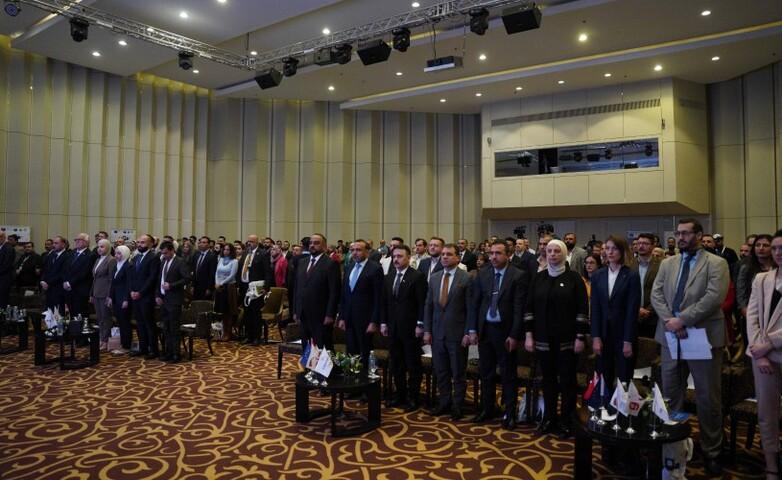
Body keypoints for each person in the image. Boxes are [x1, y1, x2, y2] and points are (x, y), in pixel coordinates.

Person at [650, 218, 729, 476]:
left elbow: (713, 298)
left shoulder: (717, 263)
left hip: (702, 337)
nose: (680, 237)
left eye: (685, 233)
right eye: (678, 233)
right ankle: (672, 449)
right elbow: (656, 294)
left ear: (699, 235)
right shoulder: (667, 263)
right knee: (672, 394)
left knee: (707, 399)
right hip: (671, 337)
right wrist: (671, 322)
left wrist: (683, 319)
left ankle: (711, 452)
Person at [524, 239, 589, 438]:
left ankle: (567, 420)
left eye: (556, 251)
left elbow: (582, 310)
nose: (552, 254)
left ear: (563, 254)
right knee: (548, 380)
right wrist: (528, 335)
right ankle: (549, 418)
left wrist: (580, 336)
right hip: (543, 339)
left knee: (567, 382)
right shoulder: (539, 278)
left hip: (568, 340)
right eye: (549, 251)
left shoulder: (574, 279)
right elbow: (529, 308)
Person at [468, 240, 527, 430]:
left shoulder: (518, 275)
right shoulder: (482, 273)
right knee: (486, 373)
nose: (493, 256)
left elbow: (519, 309)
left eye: (498, 253)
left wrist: (514, 335)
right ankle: (487, 408)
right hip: (485, 330)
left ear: (508, 254)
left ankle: (509, 413)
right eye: (491, 253)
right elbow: (475, 304)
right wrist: (473, 329)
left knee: (508, 375)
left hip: (506, 333)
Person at [745, 230, 782, 480]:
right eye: (776, 248)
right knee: (766, 413)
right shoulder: (761, 279)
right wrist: (759, 353)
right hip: (764, 359)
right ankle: (771, 464)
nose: (779, 253)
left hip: (770, 348)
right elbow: (753, 317)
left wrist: (768, 343)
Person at [423, 243, 473, 421]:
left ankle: (457, 406)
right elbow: (428, 306)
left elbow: (470, 309)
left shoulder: (466, 278)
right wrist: (427, 330)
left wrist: (468, 332)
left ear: (457, 258)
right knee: (441, 371)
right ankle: (444, 403)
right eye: (443, 254)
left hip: (457, 334)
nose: (444, 257)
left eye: (449, 254)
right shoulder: (435, 278)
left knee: (458, 373)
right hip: (437, 333)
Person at [590, 236, 641, 393]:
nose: (610, 252)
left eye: (614, 248)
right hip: (603, 333)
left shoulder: (631, 275)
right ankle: (605, 410)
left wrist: (628, 340)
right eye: (608, 248)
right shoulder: (598, 275)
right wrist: (596, 337)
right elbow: (596, 308)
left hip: (623, 334)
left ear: (622, 251)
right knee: (603, 375)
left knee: (623, 377)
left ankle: (622, 414)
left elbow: (632, 310)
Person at [380, 244, 427, 412]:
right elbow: (385, 302)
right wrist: (384, 322)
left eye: (400, 256)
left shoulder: (417, 277)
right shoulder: (389, 276)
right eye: (394, 257)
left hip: (411, 328)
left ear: (408, 258)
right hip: (393, 327)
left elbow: (422, 303)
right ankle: (399, 395)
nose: (396, 259)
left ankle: (413, 397)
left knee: (412, 364)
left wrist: (420, 324)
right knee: (396, 363)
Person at [339, 239, 383, 369]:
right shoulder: (349, 267)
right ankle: (353, 380)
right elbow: (344, 295)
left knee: (365, 353)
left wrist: (374, 321)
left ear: (367, 252)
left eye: (358, 250)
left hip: (366, 319)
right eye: (352, 250)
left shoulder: (375, 269)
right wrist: (342, 316)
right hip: (349, 318)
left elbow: (378, 298)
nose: (355, 253)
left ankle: (365, 383)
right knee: (351, 351)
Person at [294, 233, 340, 350]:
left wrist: (330, 314)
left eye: (316, 243)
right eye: (311, 243)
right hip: (303, 312)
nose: (312, 245)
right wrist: (295, 310)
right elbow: (297, 288)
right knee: (307, 345)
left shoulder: (330, 264)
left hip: (321, 314)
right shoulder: (302, 262)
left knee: (323, 346)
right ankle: (308, 368)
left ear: (324, 246)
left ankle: (329, 369)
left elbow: (334, 292)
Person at [155, 241, 191, 363]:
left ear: (171, 250)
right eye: (162, 253)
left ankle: (176, 353)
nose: (164, 255)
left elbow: (187, 278)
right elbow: (159, 279)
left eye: (165, 253)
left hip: (174, 299)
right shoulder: (163, 262)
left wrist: (171, 285)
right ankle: (168, 352)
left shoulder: (180, 262)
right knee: (166, 328)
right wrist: (158, 295)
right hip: (164, 299)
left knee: (174, 328)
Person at [238, 235, 274, 345]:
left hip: (257, 288)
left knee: (256, 313)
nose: (249, 243)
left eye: (252, 241)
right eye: (248, 241)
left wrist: (266, 288)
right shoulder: (245, 253)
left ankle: (257, 337)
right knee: (247, 313)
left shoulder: (263, 253)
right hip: (245, 286)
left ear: (257, 242)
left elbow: (268, 272)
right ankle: (249, 336)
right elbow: (241, 269)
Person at [129, 234, 161, 359]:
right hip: (135, 295)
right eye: (139, 242)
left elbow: (152, 278)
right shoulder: (136, 257)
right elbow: (132, 276)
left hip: (146, 295)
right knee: (139, 323)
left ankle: (153, 349)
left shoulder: (153, 257)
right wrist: (132, 291)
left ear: (151, 244)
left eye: (143, 242)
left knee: (149, 323)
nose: (140, 244)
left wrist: (140, 292)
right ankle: (143, 348)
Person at [633, 233, 661, 338]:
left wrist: (649, 310)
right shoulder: (629, 265)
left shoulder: (662, 265)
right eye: (639, 243)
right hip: (632, 315)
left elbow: (663, 291)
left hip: (654, 316)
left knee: (651, 350)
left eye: (645, 243)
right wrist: (637, 309)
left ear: (653, 246)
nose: (640, 246)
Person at [90, 239, 116, 351]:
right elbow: (94, 279)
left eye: (102, 247)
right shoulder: (97, 260)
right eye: (98, 247)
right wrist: (91, 293)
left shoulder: (111, 260)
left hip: (105, 293)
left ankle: (105, 340)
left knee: (106, 318)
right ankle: (101, 338)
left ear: (108, 248)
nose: (99, 249)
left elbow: (111, 280)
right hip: (96, 293)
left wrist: (110, 296)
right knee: (99, 318)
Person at [64, 233, 96, 316]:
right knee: (71, 313)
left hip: (80, 290)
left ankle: (80, 329)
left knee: (80, 313)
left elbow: (84, 273)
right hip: (69, 289)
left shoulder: (90, 255)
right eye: (76, 240)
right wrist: (65, 281)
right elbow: (66, 269)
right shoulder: (72, 253)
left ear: (86, 242)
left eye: (79, 240)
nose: (76, 241)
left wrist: (70, 283)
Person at [108, 245, 133, 354]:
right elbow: (113, 284)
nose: (116, 256)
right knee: (120, 321)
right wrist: (110, 297)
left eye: (119, 253)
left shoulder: (128, 266)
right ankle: (122, 343)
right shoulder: (116, 266)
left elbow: (129, 285)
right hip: (116, 298)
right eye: (116, 253)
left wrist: (126, 299)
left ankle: (126, 346)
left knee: (125, 323)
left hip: (124, 299)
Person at [214, 243, 239, 341]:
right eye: (224, 249)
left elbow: (232, 275)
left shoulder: (234, 261)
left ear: (231, 251)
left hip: (229, 287)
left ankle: (228, 333)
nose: (226, 251)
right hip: (219, 287)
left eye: (228, 250)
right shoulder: (220, 259)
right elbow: (216, 272)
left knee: (228, 311)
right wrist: (217, 283)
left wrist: (221, 283)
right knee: (222, 311)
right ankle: (223, 332)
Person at [40, 236, 69, 313]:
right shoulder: (51, 255)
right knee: (49, 312)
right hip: (48, 289)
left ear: (63, 244)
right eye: (53, 243)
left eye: (56, 243)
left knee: (58, 313)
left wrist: (48, 282)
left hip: (58, 289)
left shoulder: (67, 256)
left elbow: (62, 273)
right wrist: (42, 280)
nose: (53, 245)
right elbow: (45, 269)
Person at [191, 236, 217, 301]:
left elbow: (212, 274)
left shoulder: (212, 256)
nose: (201, 244)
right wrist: (192, 285)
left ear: (208, 244)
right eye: (200, 242)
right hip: (196, 286)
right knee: (196, 305)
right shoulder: (196, 254)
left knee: (204, 306)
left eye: (204, 242)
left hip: (205, 287)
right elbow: (194, 271)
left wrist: (209, 288)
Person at [0, 231, 14, 307]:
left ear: (2, 238)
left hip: (4, 279)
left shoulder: (8, 248)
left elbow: (6, 265)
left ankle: (2, 317)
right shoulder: (2, 247)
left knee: (2, 300)